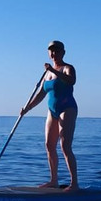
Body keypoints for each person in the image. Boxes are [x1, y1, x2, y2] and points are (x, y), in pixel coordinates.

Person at [20, 39, 78, 189]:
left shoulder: (67, 68)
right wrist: (27, 108)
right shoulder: (46, 74)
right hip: (52, 111)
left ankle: (74, 184)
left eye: (57, 50)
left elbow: (72, 81)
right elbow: (40, 94)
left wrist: (52, 70)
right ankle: (54, 181)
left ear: (63, 52)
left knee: (65, 146)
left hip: (67, 109)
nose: (54, 53)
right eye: (51, 50)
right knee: (49, 145)